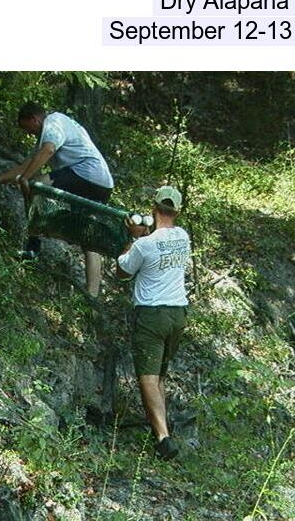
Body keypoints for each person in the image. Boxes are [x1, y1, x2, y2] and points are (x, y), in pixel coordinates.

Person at [0, 102, 115, 297]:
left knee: (36, 186)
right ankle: (92, 296)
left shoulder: (53, 122)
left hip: (86, 173)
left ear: (35, 119)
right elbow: (29, 164)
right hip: (103, 185)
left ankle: (33, 246)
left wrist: (26, 179)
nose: (30, 134)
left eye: (28, 128)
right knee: (90, 237)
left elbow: (48, 151)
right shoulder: (61, 126)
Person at [116, 185, 190, 460]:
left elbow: (122, 271)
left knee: (147, 377)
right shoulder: (183, 237)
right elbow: (162, 244)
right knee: (159, 374)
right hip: (178, 314)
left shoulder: (144, 245)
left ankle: (163, 438)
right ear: (178, 211)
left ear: (154, 207)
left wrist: (133, 238)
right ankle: (162, 428)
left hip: (152, 315)